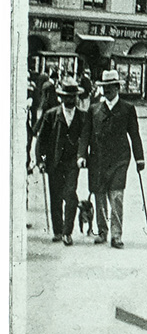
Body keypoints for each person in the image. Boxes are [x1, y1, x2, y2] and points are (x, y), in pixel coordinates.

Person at [81, 70, 145, 248]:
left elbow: (134, 135)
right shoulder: (94, 109)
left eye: (110, 87)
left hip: (119, 160)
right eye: (104, 87)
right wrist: (81, 155)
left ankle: (116, 235)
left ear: (117, 88)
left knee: (116, 196)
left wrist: (140, 159)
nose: (106, 90)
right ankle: (102, 231)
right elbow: (85, 134)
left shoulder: (127, 108)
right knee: (100, 196)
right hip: (98, 160)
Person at [34, 77, 91, 245]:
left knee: (70, 195)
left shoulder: (82, 116)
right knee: (56, 197)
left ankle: (67, 232)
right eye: (66, 96)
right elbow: (42, 142)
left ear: (77, 97)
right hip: (53, 163)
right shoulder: (51, 115)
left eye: (73, 96)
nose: (70, 100)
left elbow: (85, 139)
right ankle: (58, 231)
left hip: (73, 163)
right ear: (61, 97)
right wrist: (42, 161)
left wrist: (83, 157)